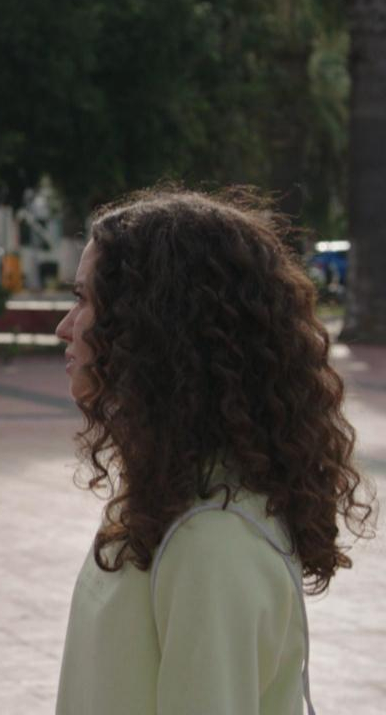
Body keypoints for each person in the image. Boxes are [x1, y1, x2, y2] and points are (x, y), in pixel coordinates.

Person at [54, 189, 375, 715]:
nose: (65, 327)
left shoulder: (213, 538)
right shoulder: (171, 495)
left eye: (85, 300)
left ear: (154, 326)